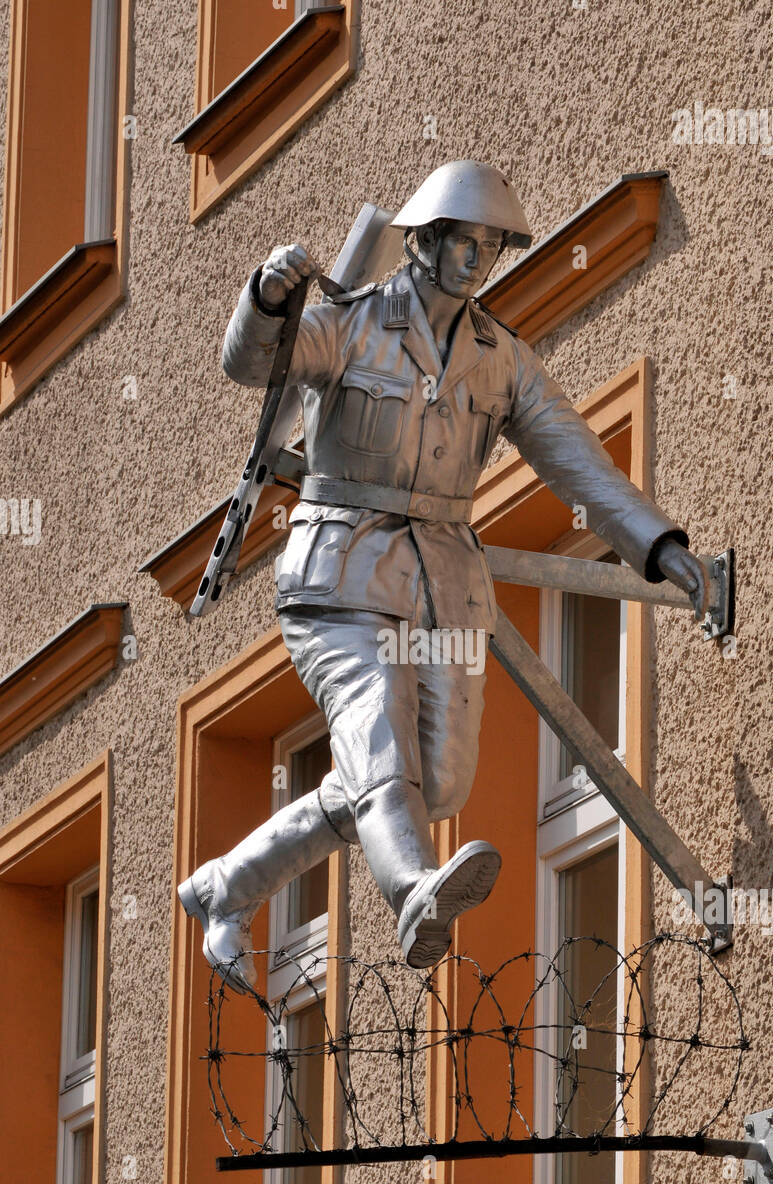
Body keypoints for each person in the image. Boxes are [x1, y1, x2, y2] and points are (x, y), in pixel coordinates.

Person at [178, 161, 707, 994]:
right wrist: (269, 296)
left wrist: (659, 549)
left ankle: (226, 885)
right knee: (377, 740)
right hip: (339, 569)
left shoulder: (501, 360)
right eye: (463, 240)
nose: (476, 258)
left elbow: (578, 465)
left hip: (444, 584)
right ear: (421, 241)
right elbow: (253, 365)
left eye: (491, 245)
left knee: (437, 780)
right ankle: (412, 893)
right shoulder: (349, 321)